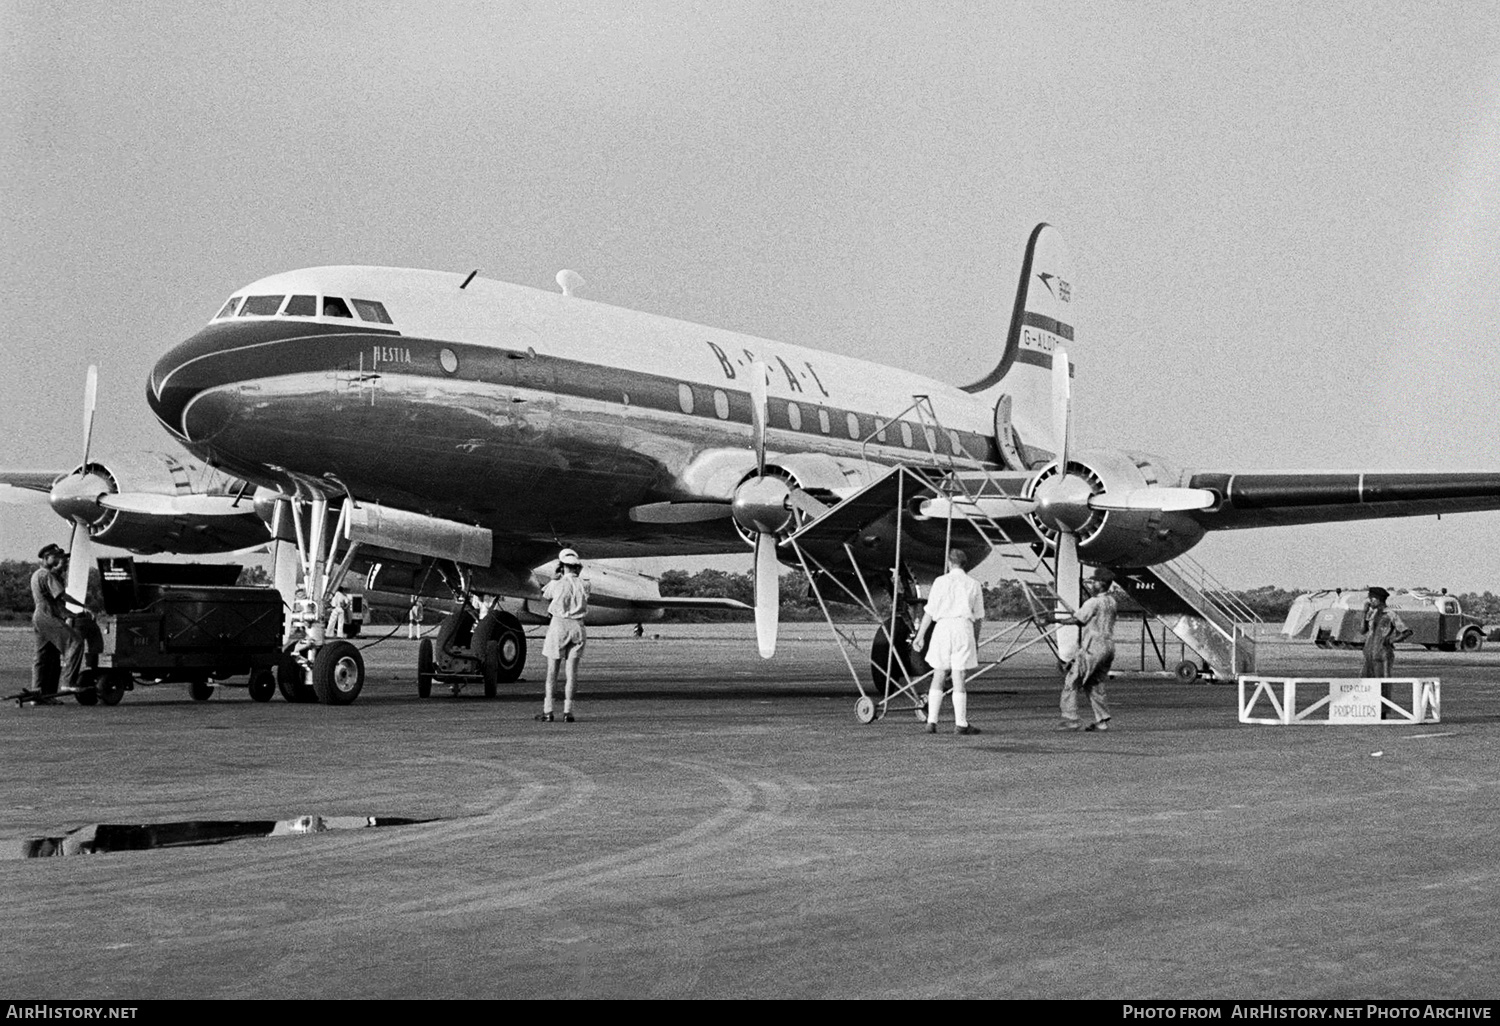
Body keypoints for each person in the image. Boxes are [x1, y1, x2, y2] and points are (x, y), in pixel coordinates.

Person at [913, 548, 985, 735]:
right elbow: (978, 617)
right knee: (958, 676)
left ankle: (931, 722)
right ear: (964, 563)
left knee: (939, 673)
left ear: (949, 562)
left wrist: (920, 636)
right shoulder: (973, 584)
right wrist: (975, 640)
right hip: (963, 628)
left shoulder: (940, 582)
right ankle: (960, 723)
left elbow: (929, 611)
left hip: (943, 628)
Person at [1055, 572, 1119, 732]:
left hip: (1094, 647)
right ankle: (1102, 720)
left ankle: (1070, 719)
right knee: (1094, 683)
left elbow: (1078, 620)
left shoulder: (1094, 602)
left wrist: (1053, 620)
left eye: (1093, 582)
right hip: (1109, 646)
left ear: (1101, 584)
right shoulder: (1112, 601)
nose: (1090, 585)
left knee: (1072, 682)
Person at [538, 548, 589, 723]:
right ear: (578, 568)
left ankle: (548, 711)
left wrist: (554, 577)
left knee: (552, 672)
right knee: (572, 673)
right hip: (578, 627)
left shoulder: (556, 584)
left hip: (558, 625)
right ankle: (568, 712)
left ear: (562, 567)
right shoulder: (585, 584)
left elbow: (545, 596)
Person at [31, 544, 84, 701]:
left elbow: (56, 603)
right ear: (46, 558)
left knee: (46, 656)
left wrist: (72, 614)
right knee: (75, 642)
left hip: (42, 616)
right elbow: (61, 596)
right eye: (56, 557)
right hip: (47, 616)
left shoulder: (38, 574)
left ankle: (41, 694)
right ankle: (69, 681)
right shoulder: (46, 575)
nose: (61, 560)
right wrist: (83, 606)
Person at [1361, 586, 1412, 677]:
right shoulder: (1371, 613)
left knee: (1382, 683)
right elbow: (1362, 630)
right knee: (1365, 683)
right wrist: (1364, 613)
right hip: (1369, 654)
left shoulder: (1390, 614)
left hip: (1382, 655)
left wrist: (1391, 640)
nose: (1370, 601)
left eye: (1371, 598)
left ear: (1378, 599)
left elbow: (1406, 632)